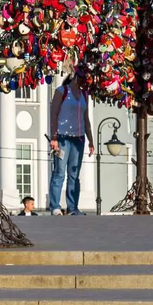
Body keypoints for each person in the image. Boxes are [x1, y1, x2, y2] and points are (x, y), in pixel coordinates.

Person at [47, 70, 94, 215]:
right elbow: (53, 114)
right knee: (59, 172)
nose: (84, 83)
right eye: (82, 79)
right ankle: (55, 206)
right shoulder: (62, 91)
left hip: (78, 138)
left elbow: (86, 119)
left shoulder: (84, 95)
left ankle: (73, 207)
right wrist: (54, 137)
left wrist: (91, 140)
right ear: (75, 78)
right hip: (63, 137)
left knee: (74, 175)